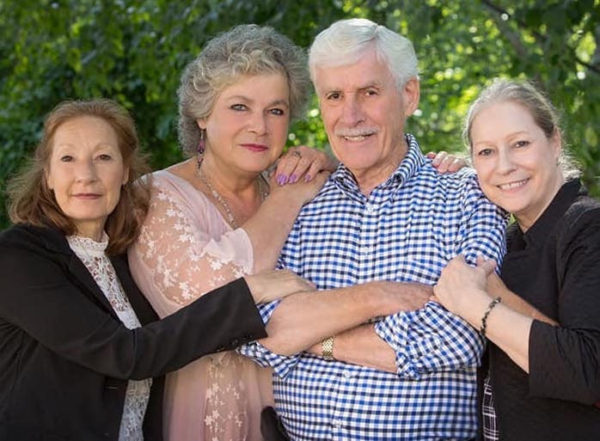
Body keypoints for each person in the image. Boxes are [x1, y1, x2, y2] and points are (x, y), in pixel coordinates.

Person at [127, 24, 402, 441]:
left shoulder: (301, 181)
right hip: (203, 418)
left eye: (275, 110)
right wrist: (286, 201)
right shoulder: (155, 196)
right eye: (240, 107)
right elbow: (214, 305)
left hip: (297, 422)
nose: (260, 126)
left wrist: (438, 165)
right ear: (202, 114)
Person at [238, 18, 507, 440]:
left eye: (369, 92)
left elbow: (460, 338)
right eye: (334, 96)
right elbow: (249, 326)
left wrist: (316, 336)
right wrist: (376, 302)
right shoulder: (298, 200)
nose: (350, 115)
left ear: (409, 94)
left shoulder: (467, 195)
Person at [0, 98, 316, 441]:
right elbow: (126, 354)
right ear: (47, 175)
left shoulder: (121, 255)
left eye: (103, 157)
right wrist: (250, 290)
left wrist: (318, 161)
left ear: (124, 173)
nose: (86, 175)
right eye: (67, 159)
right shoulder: (18, 258)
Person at [433, 79, 600, 441]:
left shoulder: (588, 227)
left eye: (520, 144)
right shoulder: (504, 241)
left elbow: (591, 370)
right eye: (486, 153)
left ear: (555, 141)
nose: (504, 166)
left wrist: (480, 303)